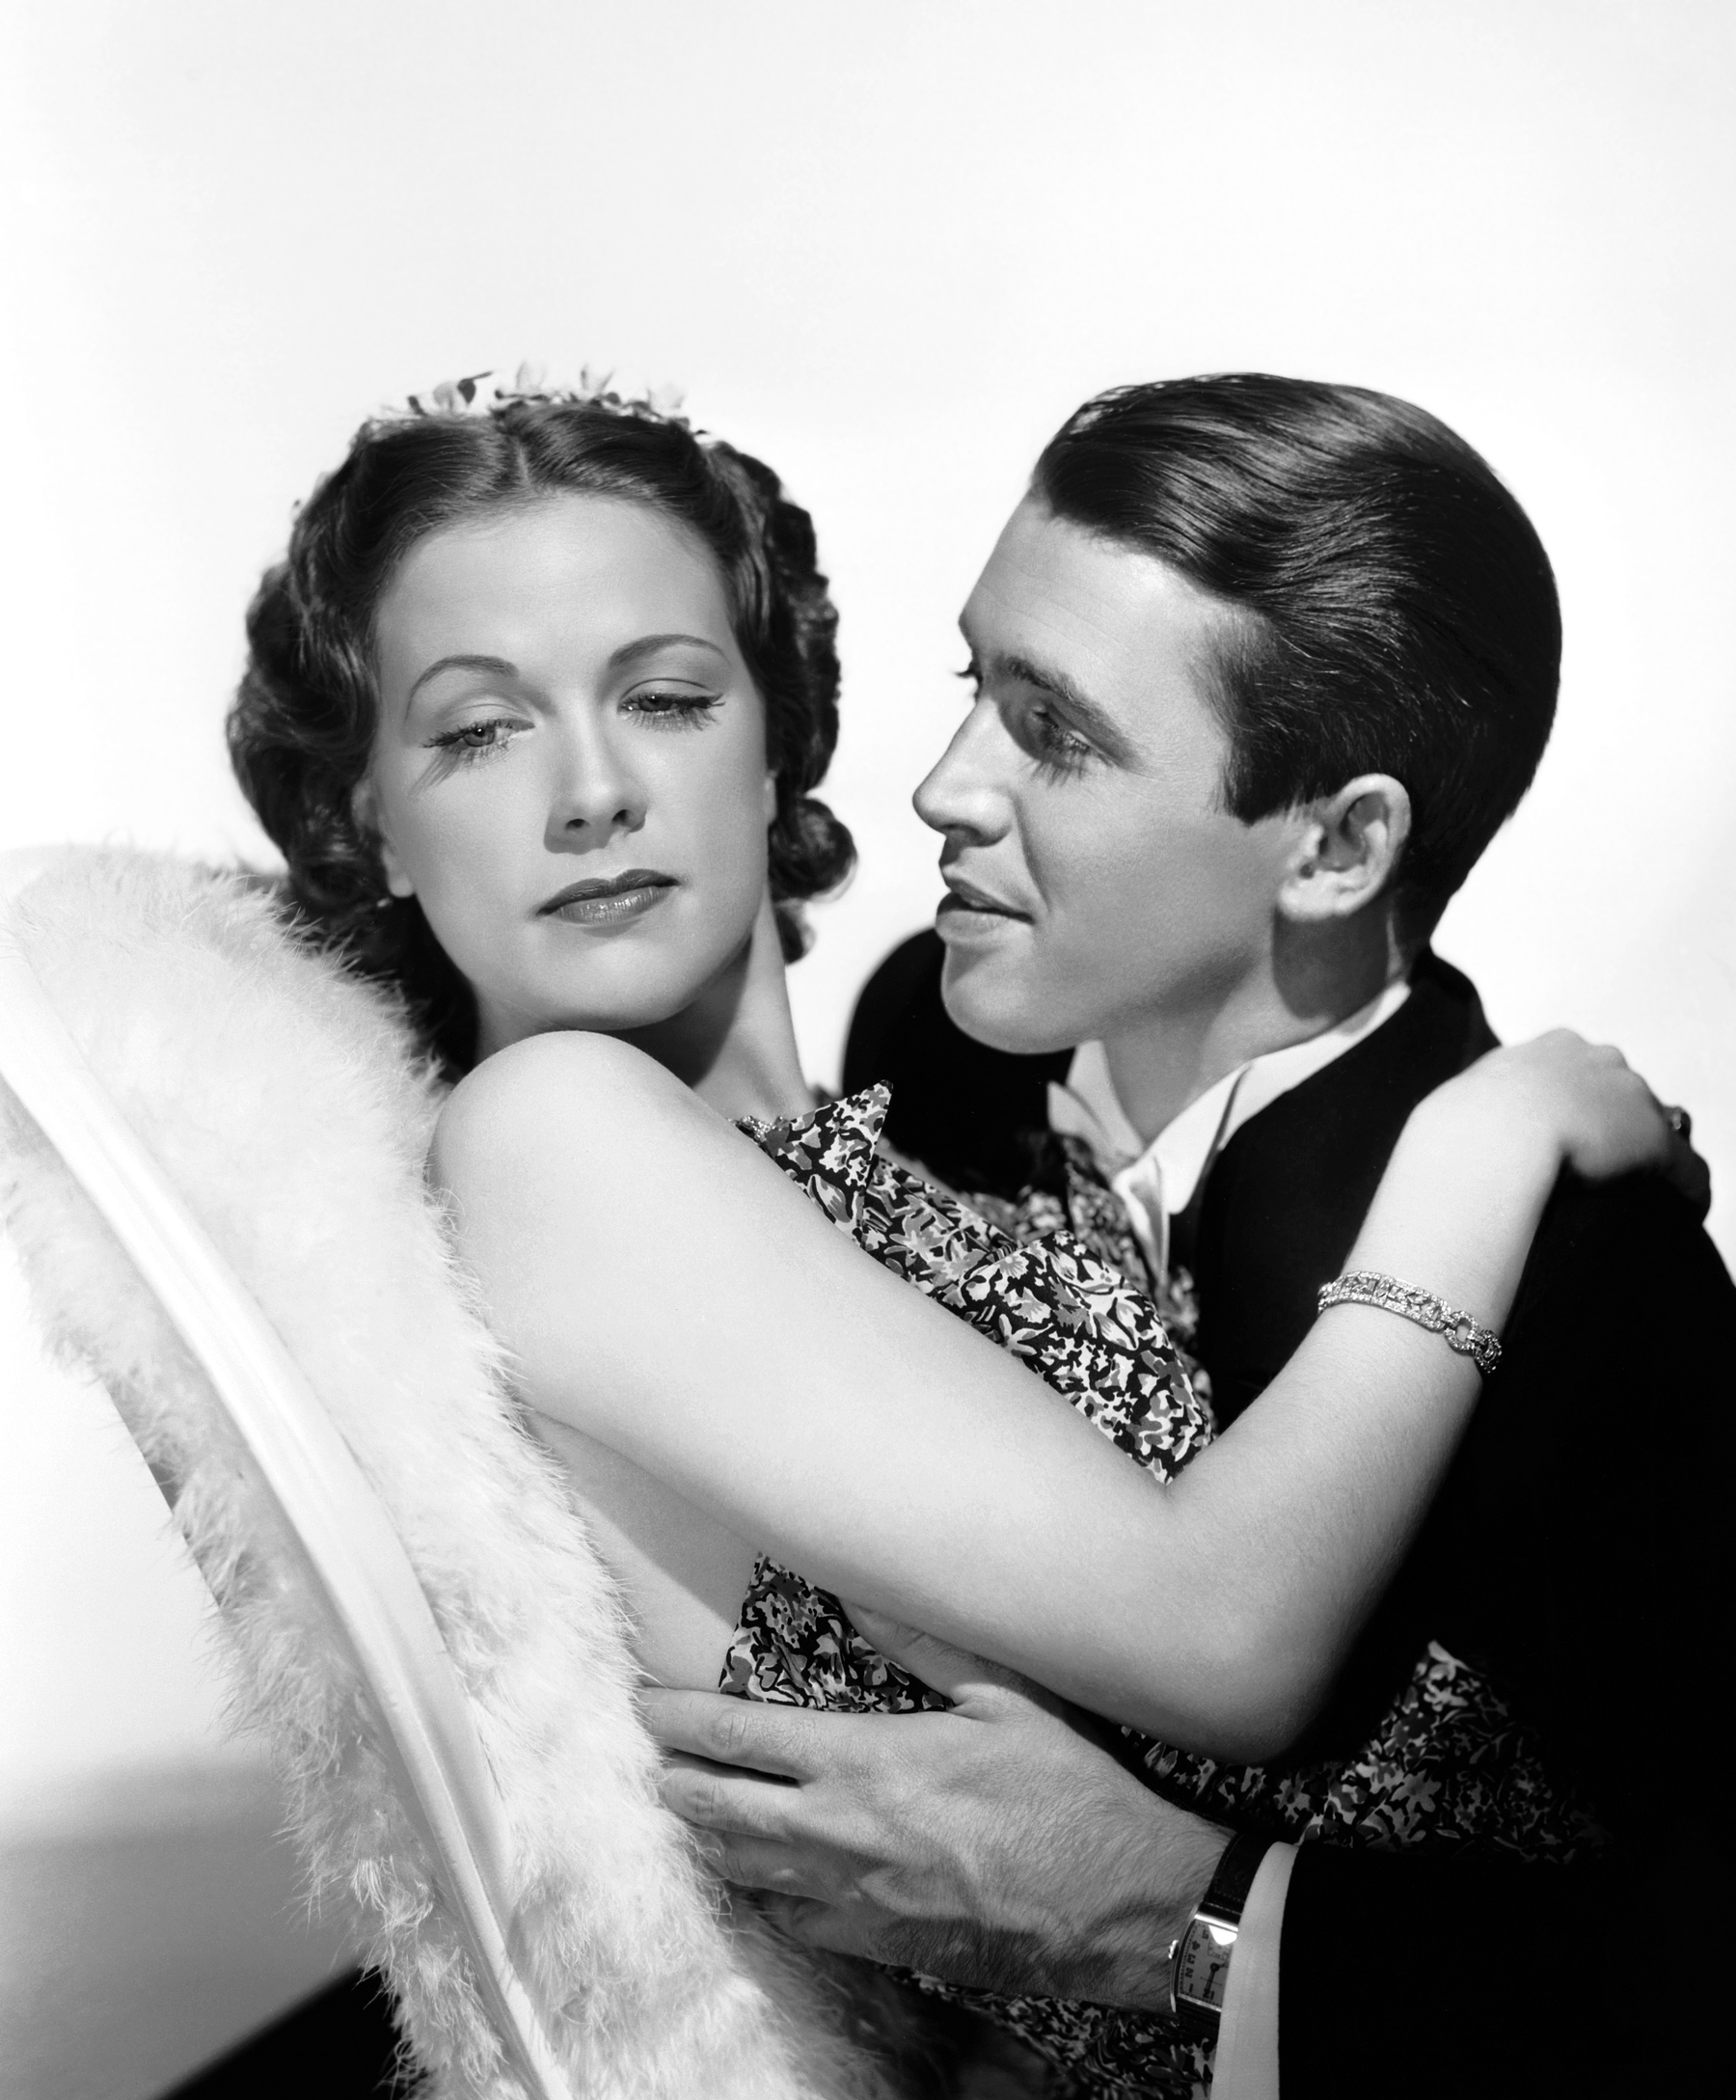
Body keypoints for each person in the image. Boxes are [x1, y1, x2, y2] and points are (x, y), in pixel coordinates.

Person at [202, 370, 1694, 2100]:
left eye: (666, 696)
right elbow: (1218, 1635)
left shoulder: (942, 1072)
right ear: (365, 816)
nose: (591, 789)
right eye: (475, 730)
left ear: (778, 735)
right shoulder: (542, 1136)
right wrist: (1485, 1145)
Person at [640, 376, 1734, 2097]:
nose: (940, 789)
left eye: (1057, 734)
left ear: (1341, 846)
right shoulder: (936, 1039)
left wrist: (1198, 1919)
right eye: (974, 688)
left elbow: (1689, 1973)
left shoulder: (1591, 1295)